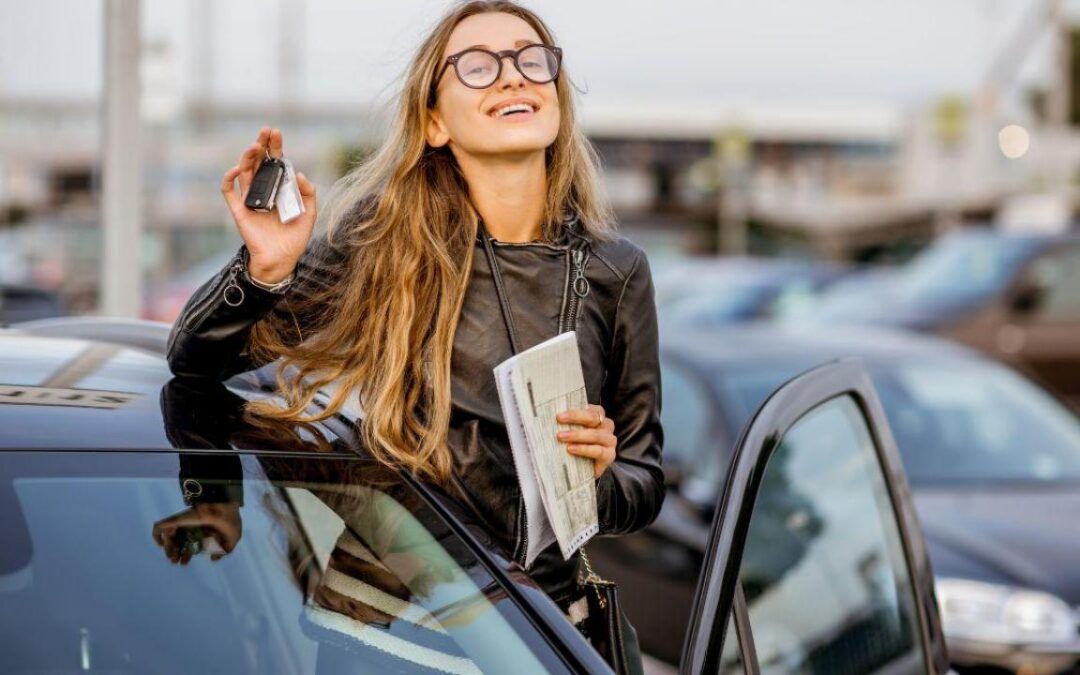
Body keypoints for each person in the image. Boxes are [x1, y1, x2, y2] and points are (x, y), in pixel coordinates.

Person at [166, 0, 663, 667]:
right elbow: (194, 363)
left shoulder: (617, 270)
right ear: (433, 122)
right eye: (478, 67)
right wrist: (265, 270)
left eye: (530, 60)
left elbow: (645, 481)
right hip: (382, 635)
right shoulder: (379, 241)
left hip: (536, 636)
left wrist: (594, 479)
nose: (513, 76)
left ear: (557, 96)